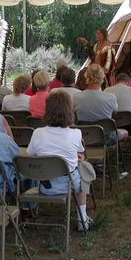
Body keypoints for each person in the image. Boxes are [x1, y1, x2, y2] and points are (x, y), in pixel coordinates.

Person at [27, 91, 93, 231]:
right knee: (83, 170)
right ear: (69, 111)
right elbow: (80, 153)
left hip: (45, 186)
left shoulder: (37, 133)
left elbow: (30, 155)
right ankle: (83, 217)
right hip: (70, 185)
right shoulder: (76, 134)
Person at [73, 64, 127, 142]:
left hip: (84, 138)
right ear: (102, 77)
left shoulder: (76, 97)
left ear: (86, 77)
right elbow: (114, 113)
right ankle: (114, 153)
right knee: (125, 132)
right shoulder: (111, 97)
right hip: (106, 138)